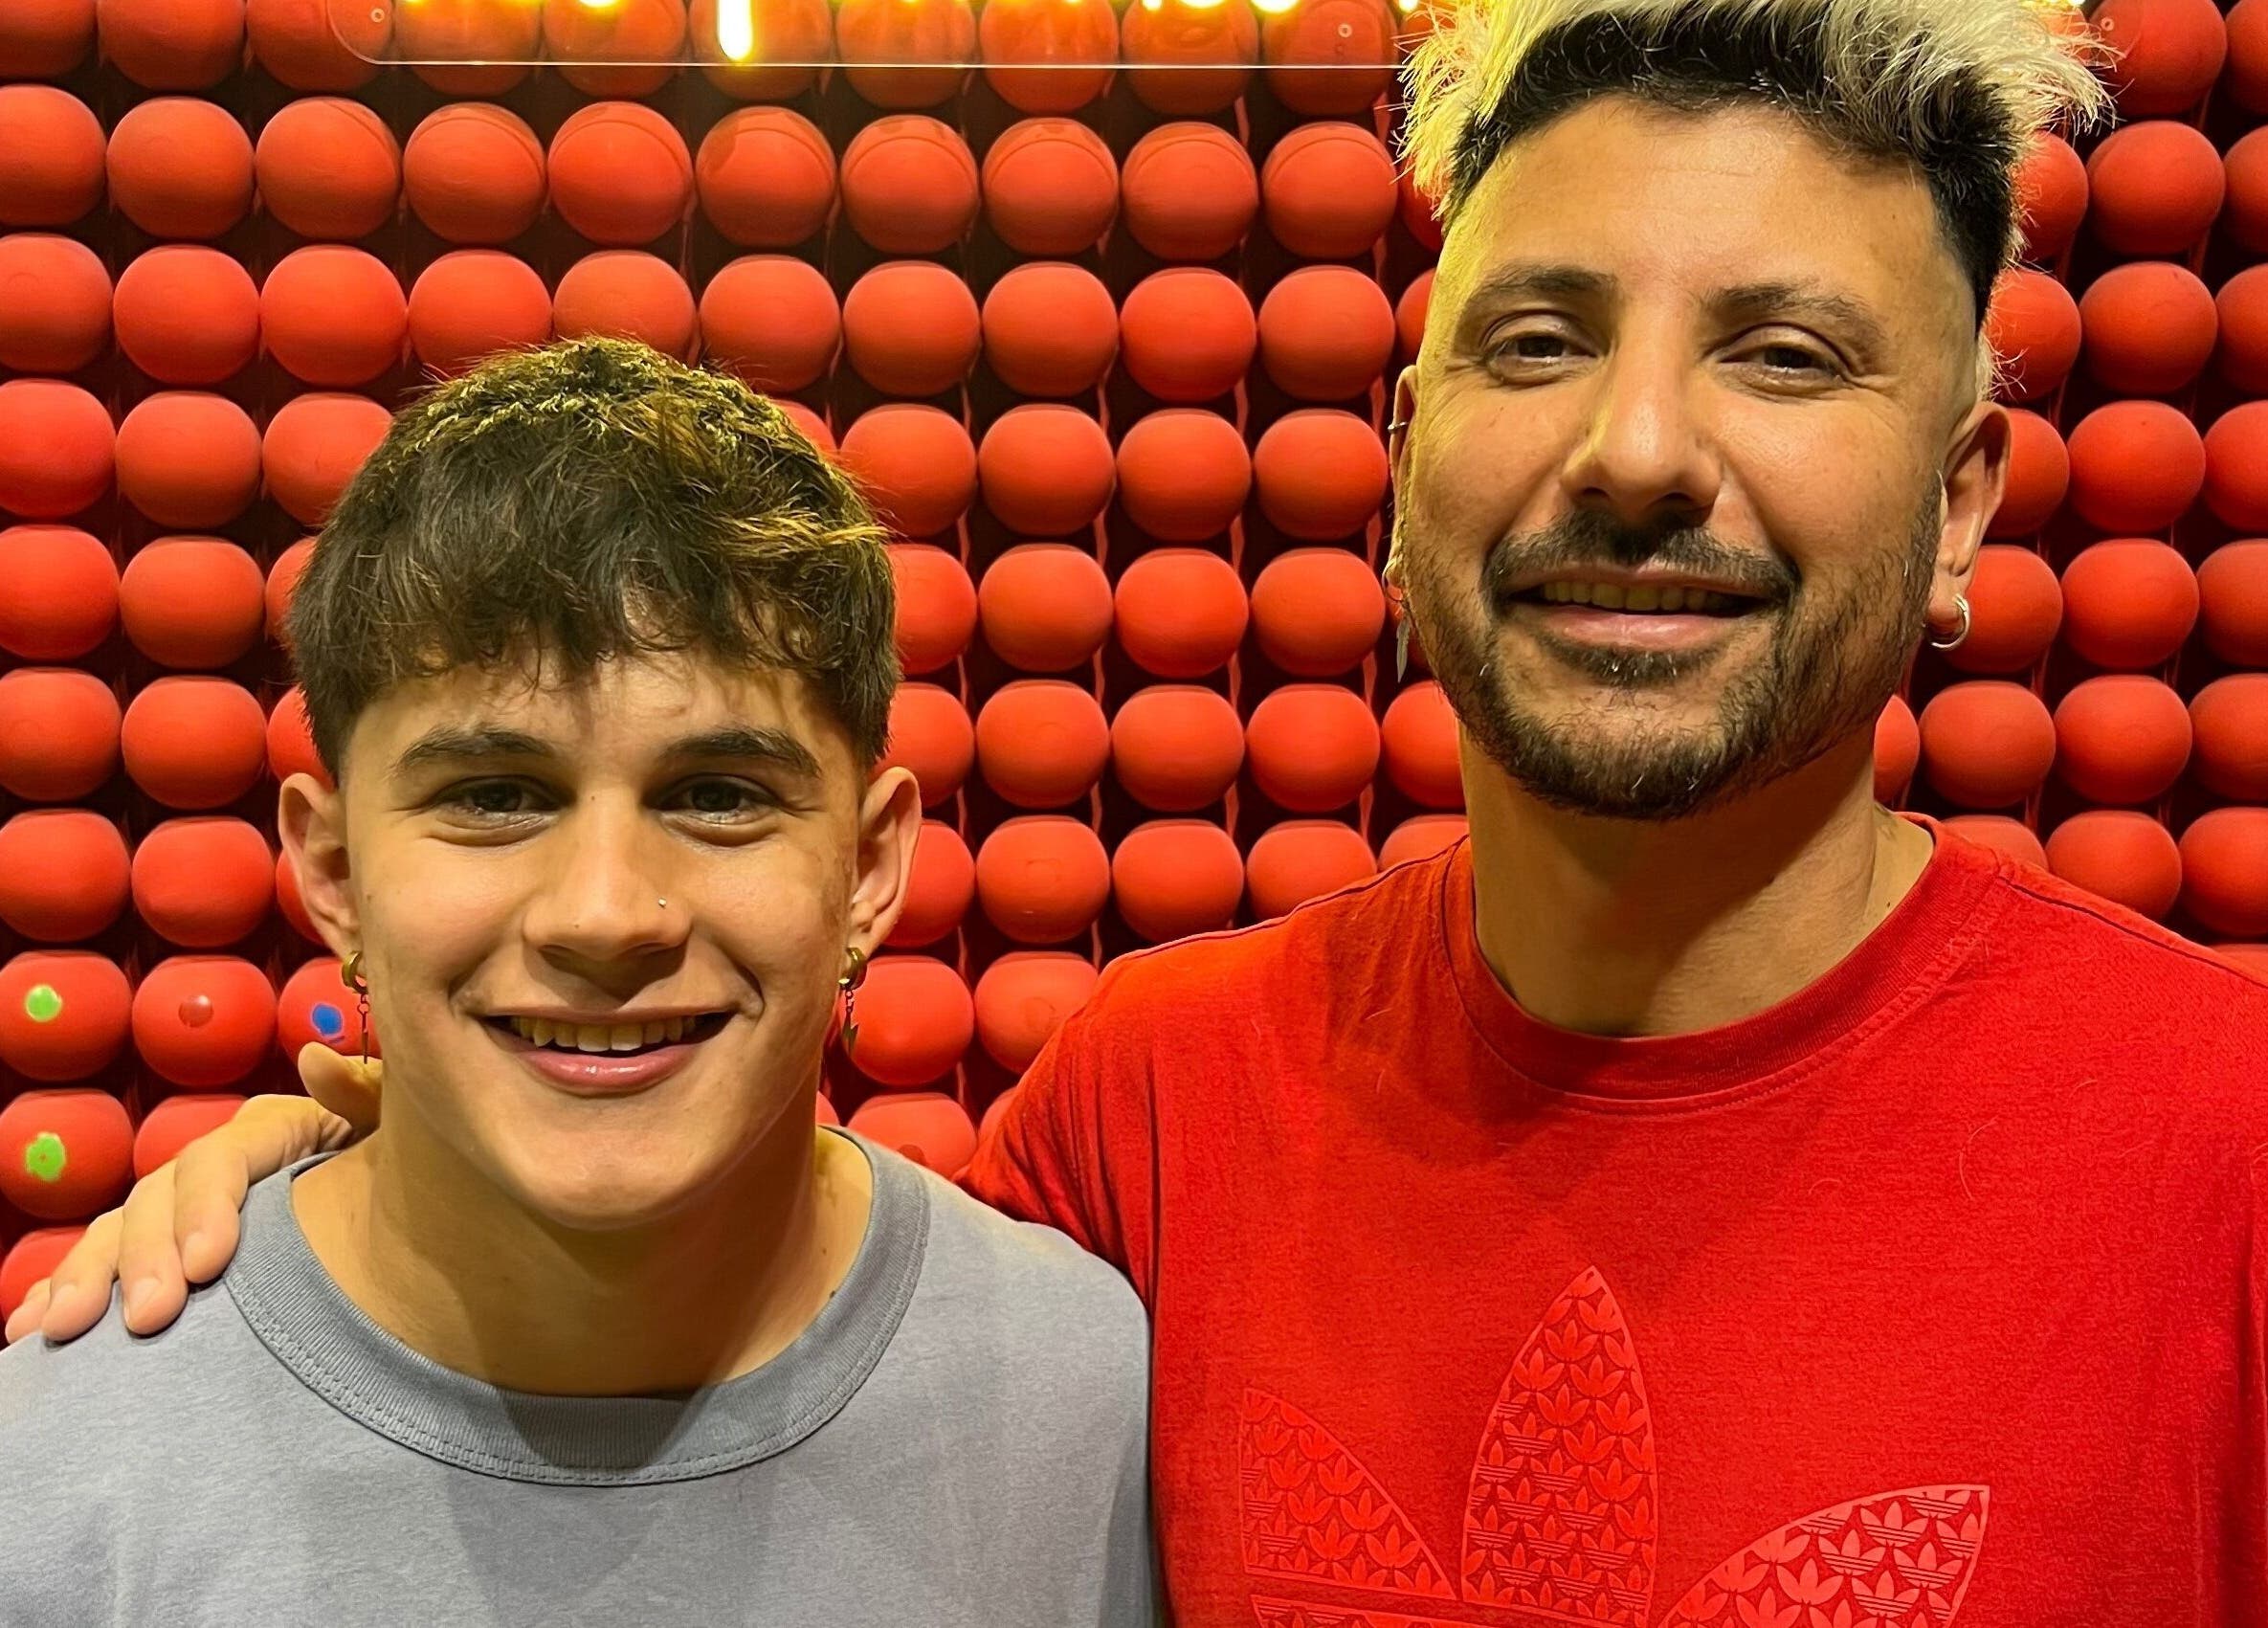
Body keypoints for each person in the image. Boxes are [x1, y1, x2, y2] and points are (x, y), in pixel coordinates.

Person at [23, 0, 2268, 1621]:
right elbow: (712, 1259)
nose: (1638, 448)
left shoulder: (2225, 1153)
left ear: (1971, 496)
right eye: (1539, 336)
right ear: (1407, 454)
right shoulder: (1156, 1108)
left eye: (1786, 352)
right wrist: (338, 1153)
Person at [0, 338, 1154, 1626]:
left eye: (717, 795)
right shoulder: (55, 1482)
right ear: (332, 873)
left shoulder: (1103, 1413)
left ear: (871, 868)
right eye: (493, 796)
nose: (606, 913)